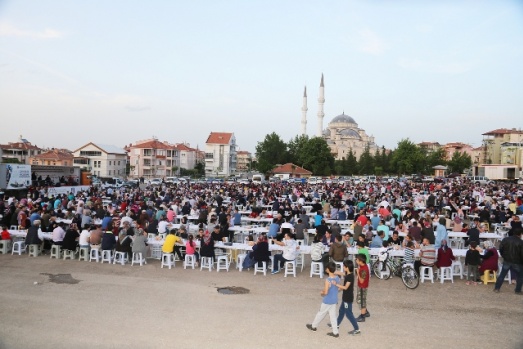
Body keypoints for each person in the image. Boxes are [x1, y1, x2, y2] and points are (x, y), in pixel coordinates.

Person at [306, 262, 340, 338]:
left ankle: (314, 326)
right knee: (333, 316)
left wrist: (322, 292)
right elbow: (338, 288)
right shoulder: (337, 278)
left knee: (320, 313)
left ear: (328, 269)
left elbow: (326, 292)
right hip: (334, 300)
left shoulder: (328, 280)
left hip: (327, 300)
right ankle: (335, 332)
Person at [333, 260, 360, 335]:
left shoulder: (350, 277)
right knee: (341, 311)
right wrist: (333, 271)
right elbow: (340, 273)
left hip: (348, 298)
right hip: (345, 297)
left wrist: (336, 284)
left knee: (349, 314)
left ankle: (357, 329)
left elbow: (345, 287)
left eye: (344, 266)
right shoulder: (348, 274)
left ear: (347, 268)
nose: (343, 267)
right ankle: (336, 324)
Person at [494, 228, 523, 294]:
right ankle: (517, 290)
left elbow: (501, 248)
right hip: (517, 261)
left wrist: (504, 255)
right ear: (520, 234)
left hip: (507, 259)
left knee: (502, 274)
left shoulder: (506, 239)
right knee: (520, 276)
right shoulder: (521, 242)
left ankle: (497, 288)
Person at [355, 254, 370, 322]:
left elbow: (361, 281)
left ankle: (362, 316)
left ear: (361, 261)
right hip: (362, 286)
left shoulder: (364, 269)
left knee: (361, 301)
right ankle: (365, 312)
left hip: (362, 287)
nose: (356, 261)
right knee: (359, 299)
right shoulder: (362, 266)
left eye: (357, 260)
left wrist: (357, 273)